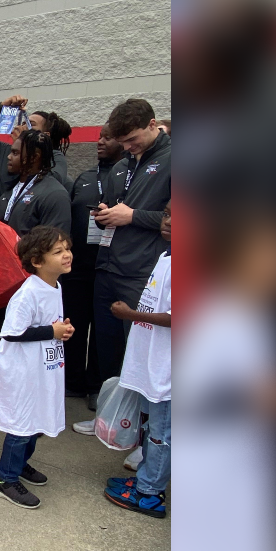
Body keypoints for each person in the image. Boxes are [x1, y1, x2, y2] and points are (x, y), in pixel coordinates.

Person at [0, 225, 76, 510]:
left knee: (36, 419)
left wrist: (61, 330)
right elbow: (12, 332)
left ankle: (21, 464)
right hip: (21, 370)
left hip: (41, 365)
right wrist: (52, 331)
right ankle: (4, 478)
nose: (67, 255)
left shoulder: (55, 286)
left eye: (67, 249)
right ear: (37, 261)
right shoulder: (28, 293)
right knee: (21, 424)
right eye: (58, 251)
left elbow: (50, 324)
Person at [92, 98, 171, 384]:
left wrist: (132, 216)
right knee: (107, 346)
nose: (126, 147)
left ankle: (138, 423)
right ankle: (111, 419)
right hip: (108, 266)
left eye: (132, 139)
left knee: (137, 350)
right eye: (122, 141)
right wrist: (106, 214)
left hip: (143, 271)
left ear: (153, 125)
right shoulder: (121, 165)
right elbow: (119, 208)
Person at [103, 204, 172, 519]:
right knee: (154, 426)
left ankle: (150, 494)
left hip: (171, 370)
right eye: (167, 213)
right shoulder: (166, 256)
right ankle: (146, 478)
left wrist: (131, 315)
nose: (168, 220)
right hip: (155, 362)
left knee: (162, 433)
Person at [66, 126, 124, 414]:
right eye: (100, 136)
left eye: (109, 137)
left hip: (108, 265)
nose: (101, 141)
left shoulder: (127, 177)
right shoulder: (86, 177)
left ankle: (95, 386)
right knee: (74, 325)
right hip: (78, 265)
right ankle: (73, 380)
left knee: (102, 332)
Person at [0, 129, 72, 235]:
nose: (9, 157)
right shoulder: (10, 188)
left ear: (34, 157)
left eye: (15, 153)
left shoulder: (55, 194)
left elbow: (55, 243)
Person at [28, 110, 74, 189]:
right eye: (23, 123)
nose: (23, 127)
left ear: (45, 135)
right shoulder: (12, 155)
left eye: (31, 124)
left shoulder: (56, 157)